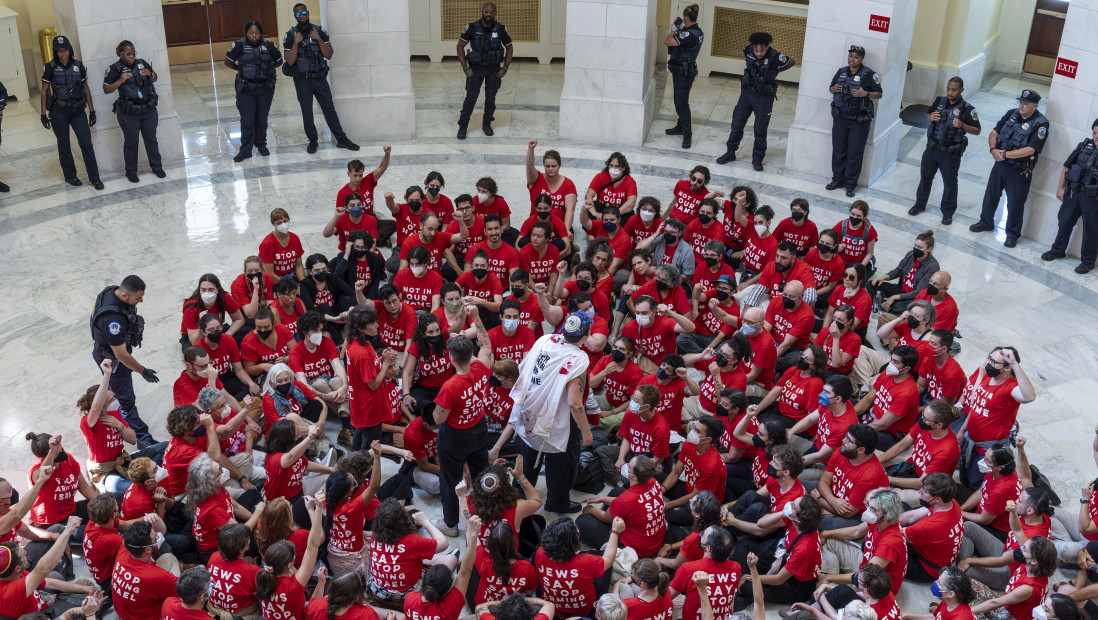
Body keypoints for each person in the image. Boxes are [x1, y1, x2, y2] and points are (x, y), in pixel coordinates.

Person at [510, 313, 594, 513]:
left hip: (530, 407)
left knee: (529, 454)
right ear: (586, 335)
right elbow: (574, 403)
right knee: (561, 463)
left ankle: (518, 496)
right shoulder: (579, 357)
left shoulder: (545, 339)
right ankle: (557, 502)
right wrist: (586, 431)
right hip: (558, 417)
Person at [432, 306, 493, 535]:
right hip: (479, 428)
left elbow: (439, 419)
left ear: (451, 358)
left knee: (450, 480)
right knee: (481, 473)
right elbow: (486, 344)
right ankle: (486, 514)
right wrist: (476, 317)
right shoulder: (481, 367)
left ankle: (450, 524)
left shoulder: (450, 387)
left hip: (455, 437)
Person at [970, 89, 1050, 247]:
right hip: (1000, 164)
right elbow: (994, 132)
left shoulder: (1041, 124)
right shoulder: (1011, 114)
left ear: (1034, 106)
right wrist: (993, 150)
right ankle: (986, 222)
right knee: (991, 196)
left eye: (1025, 104)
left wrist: (1005, 154)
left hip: (1019, 170)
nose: (1021, 106)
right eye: (1020, 102)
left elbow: (1031, 149)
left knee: (1015, 204)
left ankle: (1012, 235)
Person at [90, 275, 157, 448]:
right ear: (125, 296)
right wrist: (143, 371)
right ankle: (143, 438)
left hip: (105, 352)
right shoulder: (113, 320)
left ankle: (108, 405)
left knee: (114, 392)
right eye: (138, 298)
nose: (141, 301)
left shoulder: (111, 290)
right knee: (126, 400)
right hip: (114, 362)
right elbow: (121, 355)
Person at [283, 3, 358, 153]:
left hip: (319, 78)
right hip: (302, 80)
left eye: (303, 12)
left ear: (308, 12)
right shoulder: (290, 35)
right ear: (295, 16)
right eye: (297, 14)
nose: (301, 15)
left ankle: (341, 139)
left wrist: (318, 39)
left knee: (329, 108)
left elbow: (329, 54)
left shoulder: (319, 31)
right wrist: (296, 44)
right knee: (307, 111)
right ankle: (313, 141)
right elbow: (289, 60)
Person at [956, 346, 1035, 487]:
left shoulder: (1010, 388)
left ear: (1007, 368)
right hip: (970, 438)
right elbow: (976, 407)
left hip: (987, 449)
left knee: (976, 481)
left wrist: (1014, 364)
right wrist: (962, 431)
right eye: (989, 358)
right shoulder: (986, 374)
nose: (988, 363)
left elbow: (1029, 397)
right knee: (964, 473)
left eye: (994, 362)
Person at [718, 31, 796, 170]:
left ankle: (757, 160)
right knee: (737, 124)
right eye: (756, 50)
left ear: (767, 47)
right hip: (747, 93)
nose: (758, 53)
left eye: (762, 50)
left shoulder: (775, 56)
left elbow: (791, 62)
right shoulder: (747, 50)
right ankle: (730, 152)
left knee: (760, 130)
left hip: (764, 98)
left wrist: (777, 70)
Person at [910, 76, 982, 224]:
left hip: (950, 153)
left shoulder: (968, 109)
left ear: (961, 90)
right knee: (925, 178)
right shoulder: (939, 101)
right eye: (948, 89)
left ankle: (947, 213)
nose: (950, 92)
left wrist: (962, 125)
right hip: (932, 148)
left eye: (954, 90)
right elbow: (927, 114)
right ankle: (919, 204)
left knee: (950, 183)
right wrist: (931, 117)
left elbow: (977, 130)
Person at [39, 36, 102, 189]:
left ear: (70, 49)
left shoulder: (78, 65)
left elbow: (86, 88)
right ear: (55, 52)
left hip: (78, 110)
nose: (63, 54)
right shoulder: (50, 67)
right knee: (64, 145)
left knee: (86, 144)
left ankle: (95, 178)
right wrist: (42, 114)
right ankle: (70, 176)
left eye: (65, 50)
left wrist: (91, 111)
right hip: (58, 111)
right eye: (60, 51)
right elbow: (44, 91)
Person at [818, 487, 906, 594]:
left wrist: (830, 577)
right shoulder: (880, 521)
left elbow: (865, 575)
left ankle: (828, 587)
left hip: (874, 585)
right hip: (867, 562)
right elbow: (856, 531)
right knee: (829, 541)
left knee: (833, 596)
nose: (868, 512)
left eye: (873, 509)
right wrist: (826, 533)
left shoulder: (890, 542)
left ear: (887, 515)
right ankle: (829, 584)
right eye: (868, 506)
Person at [0, 516, 91, 618]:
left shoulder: (15, 574)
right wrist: (67, 531)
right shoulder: (10, 592)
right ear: (17, 568)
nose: (26, 552)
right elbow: (43, 569)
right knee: (89, 603)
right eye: (24, 555)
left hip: (43, 606)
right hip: (42, 616)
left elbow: (50, 582)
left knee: (77, 583)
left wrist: (86, 589)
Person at [369, 498, 457, 601]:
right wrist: (425, 522)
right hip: (408, 596)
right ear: (404, 520)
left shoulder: (374, 536)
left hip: (379, 593)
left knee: (413, 558)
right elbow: (444, 543)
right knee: (451, 558)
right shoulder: (412, 542)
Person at [579, 455, 667, 557]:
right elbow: (631, 503)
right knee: (617, 491)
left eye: (629, 466)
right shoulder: (653, 482)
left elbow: (606, 518)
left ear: (634, 477)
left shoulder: (627, 499)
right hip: (654, 539)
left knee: (583, 520)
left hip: (637, 550)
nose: (626, 466)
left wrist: (589, 509)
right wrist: (602, 499)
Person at [535, 516, 623, 618]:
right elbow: (609, 558)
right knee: (605, 563)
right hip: (583, 611)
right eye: (577, 533)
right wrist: (615, 532)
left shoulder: (540, 553)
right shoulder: (586, 561)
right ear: (573, 544)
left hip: (551, 609)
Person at [825, 46, 882, 197]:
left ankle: (850, 184)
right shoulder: (841, 71)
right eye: (850, 56)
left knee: (854, 154)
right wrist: (834, 89)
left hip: (859, 122)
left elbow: (879, 94)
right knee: (838, 151)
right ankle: (837, 179)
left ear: (861, 59)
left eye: (856, 57)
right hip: (840, 118)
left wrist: (866, 93)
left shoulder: (869, 74)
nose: (852, 59)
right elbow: (830, 87)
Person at [103, 40, 163, 183]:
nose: (132, 56)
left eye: (133, 53)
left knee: (151, 139)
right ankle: (131, 171)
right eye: (128, 54)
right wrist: (120, 81)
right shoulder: (115, 69)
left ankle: (157, 166)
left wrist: (151, 74)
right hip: (129, 113)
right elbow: (106, 89)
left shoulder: (142, 63)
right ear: (121, 53)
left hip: (148, 110)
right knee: (131, 142)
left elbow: (155, 77)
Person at [878, 401, 961, 504]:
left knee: (882, 497)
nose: (922, 419)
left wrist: (887, 479)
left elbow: (921, 483)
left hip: (925, 488)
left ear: (939, 425)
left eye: (926, 419)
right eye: (922, 415)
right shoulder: (925, 424)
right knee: (869, 460)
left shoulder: (946, 450)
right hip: (910, 467)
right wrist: (877, 462)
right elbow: (902, 445)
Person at [1043, 119, 1098, 274]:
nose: (1096, 137)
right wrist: (1060, 188)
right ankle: (1057, 250)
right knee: (1065, 222)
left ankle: (1088, 261)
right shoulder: (1083, 146)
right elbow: (1067, 167)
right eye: (1094, 132)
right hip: (1075, 193)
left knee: (1091, 230)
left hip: (1094, 199)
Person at [225, 21, 282, 162]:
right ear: (246, 33)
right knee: (247, 120)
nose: (254, 36)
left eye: (257, 33)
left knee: (262, 118)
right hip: (246, 89)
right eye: (251, 33)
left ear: (261, 33)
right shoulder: (238, 45)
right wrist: (241, 70)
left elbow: (279, 61)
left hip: (265, 88)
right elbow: (228, 61)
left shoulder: (269, 46)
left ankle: (261, 145)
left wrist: (268, 70)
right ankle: (245, 151)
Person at [813, 424, 888, 530]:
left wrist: (819, 500)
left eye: (848, 440)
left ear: (861, 450)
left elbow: (848, 513)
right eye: (846, 436)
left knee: (816, 522)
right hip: (834, 495)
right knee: (798, 486)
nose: (843, 440)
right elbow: (823, 482)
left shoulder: (870, 475)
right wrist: (833, 500)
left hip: (857, 515)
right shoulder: (843, 451)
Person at [457, 2, 513, 139]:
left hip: (493, 69)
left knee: (491, 98)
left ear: (495, 13)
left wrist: (505, 68)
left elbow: (510, 48)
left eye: (492, 12)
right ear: (481, 11)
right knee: (471, 98)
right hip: (475, 69)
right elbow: (460, 46)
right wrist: (465, 67)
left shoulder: (500, 29)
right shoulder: (471, 27)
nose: (488, 14)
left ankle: (487, 123)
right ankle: (463, 126)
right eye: (486, 11)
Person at [970, 536, 1057, 620]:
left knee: (966, 613)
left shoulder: (1028, 588)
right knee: (969, 583)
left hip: (1009, 615)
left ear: (1034, 561)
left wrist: (966, 611)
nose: (1019, 548)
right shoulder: (1034, 567)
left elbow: (994, 603)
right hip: (1007, 603)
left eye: (1024, 549)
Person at [900, 473, 965, 582]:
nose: (919, 491)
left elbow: (893, 533)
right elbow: (912, 516)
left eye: (925, 491)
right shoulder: (950, 503)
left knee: (873, 544)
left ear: (937, 499)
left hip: (926, 569)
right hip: (936, 553)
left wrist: (877, 519)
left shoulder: (930, 525)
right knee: (902, 506)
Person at [668, 526, 741, 620]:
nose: (700, 535)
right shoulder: (736, 567)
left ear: (709, 548)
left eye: (703, 535)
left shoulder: (688, 568)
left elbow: (669, 597)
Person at [112, 521, 181, 620]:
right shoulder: (157, 577)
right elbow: (183, 591)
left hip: (124, 613)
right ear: (148, 550)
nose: (158, 537)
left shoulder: (125, 549)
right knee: (184, 596)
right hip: (151, 617)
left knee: (168, 558)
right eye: (155, 538)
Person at [868, 230, 940, 314]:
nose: (916, 249)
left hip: (913, 297)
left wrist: (895, 297)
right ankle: (886, 305)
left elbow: (918, 292)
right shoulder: (911, 254)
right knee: (871, 284)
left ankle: (889, 306)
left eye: (920, 247)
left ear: (929, 249)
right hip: (901, 289)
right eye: (915, 245)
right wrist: (883, 277)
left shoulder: (932, 266)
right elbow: (898, 271)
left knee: (904, 307)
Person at [663, 4, 703, 149]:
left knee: (681, 104)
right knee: (680, 100)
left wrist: (673, 31)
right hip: (686, 71)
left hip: (683, 73)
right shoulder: (697, 31)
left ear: (685, 18)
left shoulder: (688, 34)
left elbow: (667, 41)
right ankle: (680, 127)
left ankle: (687, 135)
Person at [526, 139, 578, 226]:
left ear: (560, 165)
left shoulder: (568, 184)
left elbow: (570, 210)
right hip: (537, 226)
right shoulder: (536, 179)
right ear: (544, 166)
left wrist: (565, 231)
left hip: (559, 226)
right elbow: (530, 166)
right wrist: (530, 149)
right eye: (547, 166)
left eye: (554, 166)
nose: (550, 169)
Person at [903, 566, 976, 620]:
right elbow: (934, 616)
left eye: (939, 583)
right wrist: (907, 615)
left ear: (950, 594)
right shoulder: (949, 600)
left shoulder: (958, 617)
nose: (935, 582)